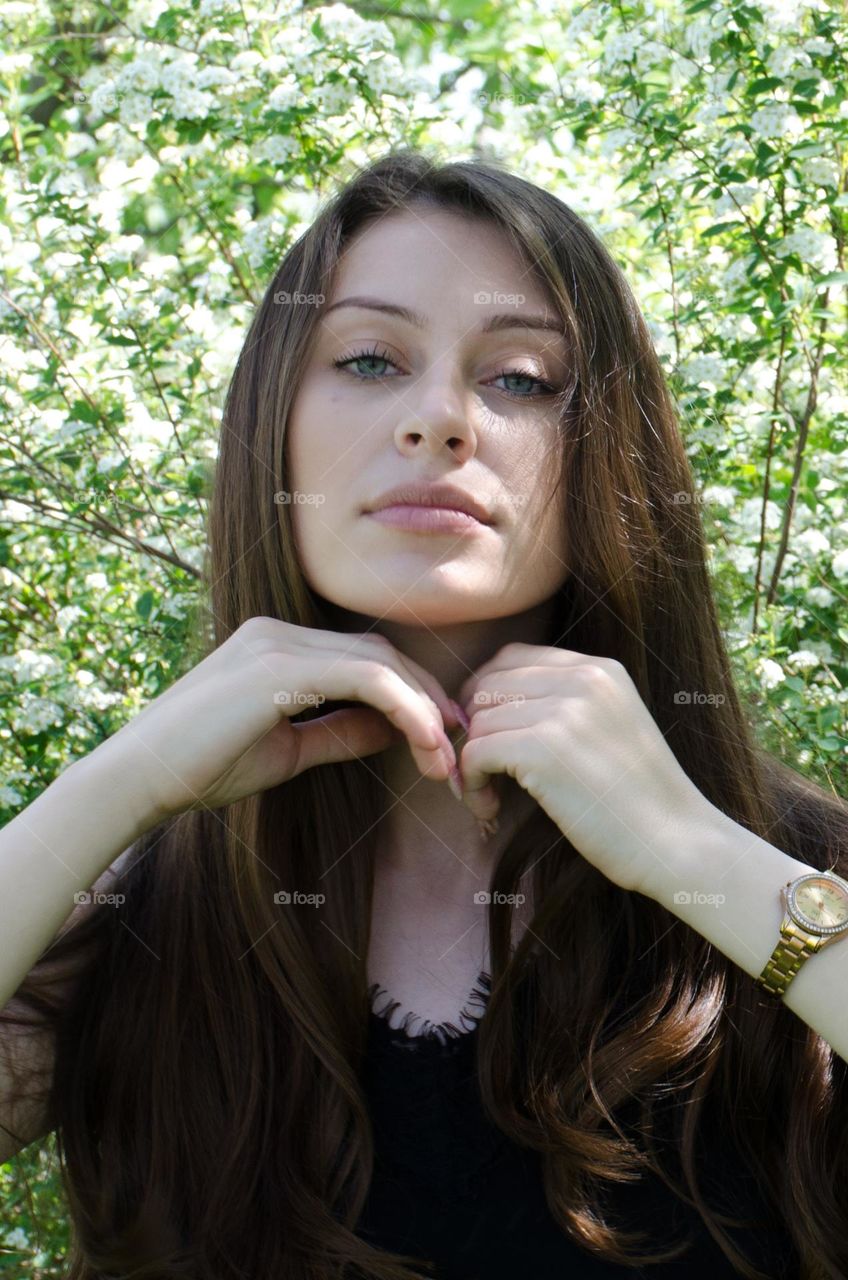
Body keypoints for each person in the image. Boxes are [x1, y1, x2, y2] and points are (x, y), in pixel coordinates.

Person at [1, 147, 847, 1280]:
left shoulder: (786, 876)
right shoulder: (143, 923)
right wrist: (121, 779)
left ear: (606, 448)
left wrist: (691, 850)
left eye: (519, 379)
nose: (439, 420)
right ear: (273, 429)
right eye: (366, 359)